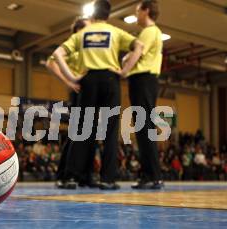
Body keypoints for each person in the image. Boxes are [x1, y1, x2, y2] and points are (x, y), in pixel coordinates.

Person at [53, 0, 143, 190]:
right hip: (110, 80)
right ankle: (107, 179)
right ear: (108, 15)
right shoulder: (115, 32)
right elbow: (139, 46)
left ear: (92, 14)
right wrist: (125, 70)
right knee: (110, 131)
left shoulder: (83, 33)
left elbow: (58, 53)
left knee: (82, 130)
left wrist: (71, 77)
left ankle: (71, 177)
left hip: (88, 80)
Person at [46, 17, 94, 189]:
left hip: (90, 93)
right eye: (88, 27)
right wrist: (69, 82)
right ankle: (64, 175)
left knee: (90, 135)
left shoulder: (86, 48)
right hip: (78, 93)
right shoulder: (72, 46)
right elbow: (51, 63)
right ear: (79, 30)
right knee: (77, 135)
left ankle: (85, 176)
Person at [128, 0, 164, 189]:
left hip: (142, 80)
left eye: (137, 11)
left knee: (144, 127)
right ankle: (151, 174)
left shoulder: (149, 32)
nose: (136, 15)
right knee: (144, 127)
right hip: (146, 81)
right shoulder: (152, 32)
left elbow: (136, 53)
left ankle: (152, 175)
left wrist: (124, 69)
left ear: (146, 11)